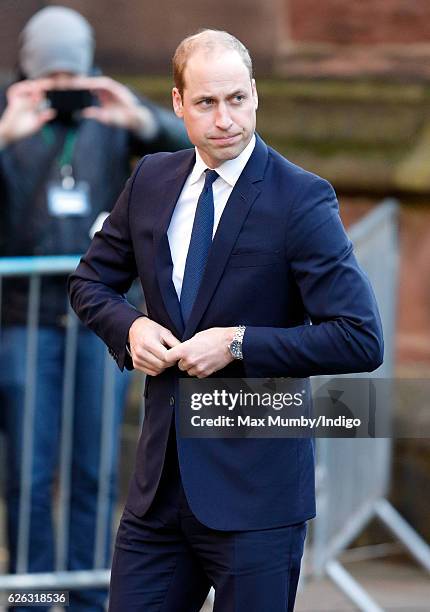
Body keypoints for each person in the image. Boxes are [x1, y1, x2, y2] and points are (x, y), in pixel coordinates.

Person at [68, 29, 384, 612]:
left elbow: (360, 337)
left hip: (257, 497)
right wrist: (130, 328)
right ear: (178, 104)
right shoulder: (151, 180)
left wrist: (238, 344)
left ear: (256, 95)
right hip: (157, 494)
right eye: (208, 102)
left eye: (237, 99)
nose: (225, 119)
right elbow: (89, 282)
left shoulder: (301, 199)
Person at [0, 6, 189, 612]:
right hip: (22, 319)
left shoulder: (113, 117)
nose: (63, 92)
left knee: (94, 470)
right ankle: (34, 599)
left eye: (71, 77)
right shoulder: (11, 117)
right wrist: (7, 130)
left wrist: (137, 115)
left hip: (99, 323)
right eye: (50, 77)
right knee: (28, 474)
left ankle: (82, 599)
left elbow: (196, 149)